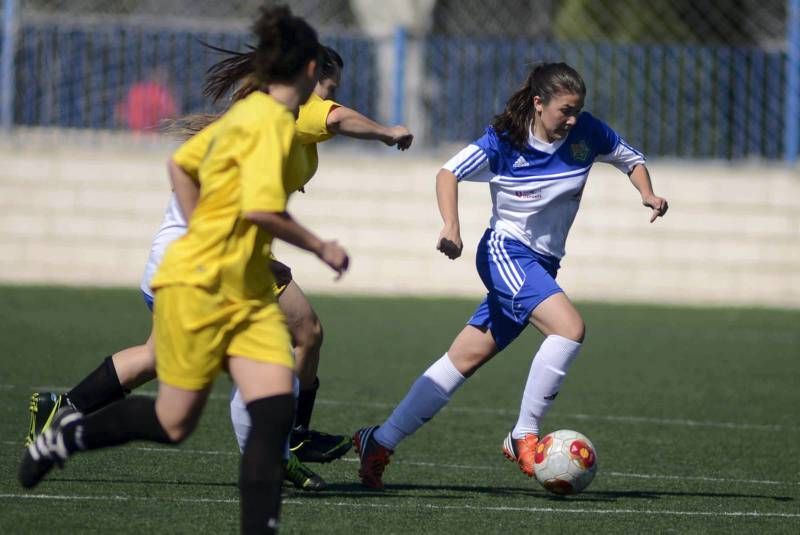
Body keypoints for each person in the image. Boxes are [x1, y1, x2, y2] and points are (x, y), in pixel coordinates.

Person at [20, 7, 348, 534]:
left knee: (269, 399)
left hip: (238, 283)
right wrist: (317, 245)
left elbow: (189, 169)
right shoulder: (258, 123)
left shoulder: (276, 121)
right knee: (176, 421)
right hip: (196, 281)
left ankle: (270, 484)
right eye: (328, 85)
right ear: (310, 72)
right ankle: (67, 435)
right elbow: (248, 203)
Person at [352, 62, 668, 489]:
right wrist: (451, 227)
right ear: (539, 104)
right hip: (505, 252)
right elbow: (448, 172)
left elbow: (630, 159)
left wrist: (646, 193)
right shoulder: (505, 140)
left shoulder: (587, 132)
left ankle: (380, 440)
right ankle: (524, 434)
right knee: (569, 328)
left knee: (462, 360)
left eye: (577, 110)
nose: (572, 119)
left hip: (541, 265)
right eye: (565, 110)